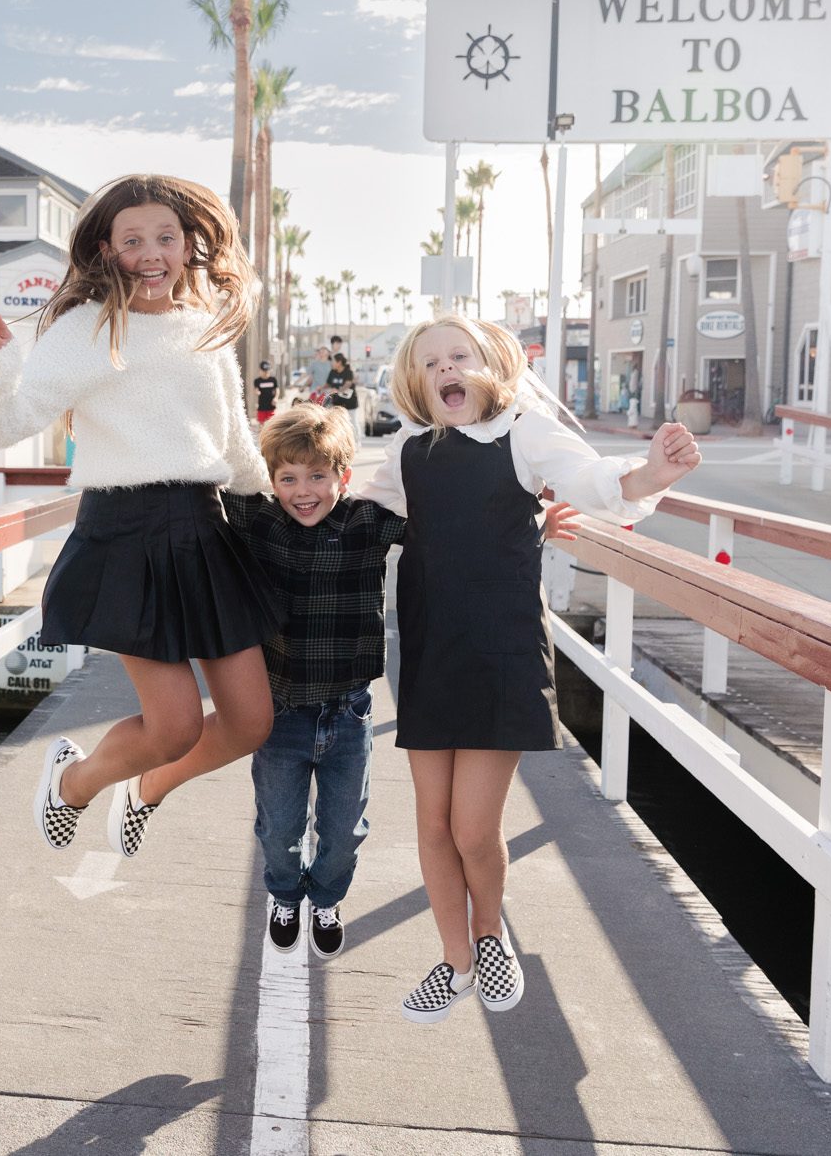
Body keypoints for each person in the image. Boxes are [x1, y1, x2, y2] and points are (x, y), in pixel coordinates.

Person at [356, 314, 700, 1023]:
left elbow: (593, 478)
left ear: (492, 363)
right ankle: (454, 960)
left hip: (500, 649)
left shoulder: (524, 430)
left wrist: (650, 473)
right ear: (415, 380)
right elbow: (361, 516)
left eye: (460, 354)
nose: (446, 367)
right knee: (431, 823)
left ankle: (489, 935)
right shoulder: (411, 448)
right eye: (431, 362)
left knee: (473, 828)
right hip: (425, 649)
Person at [0, 173, 282, 861]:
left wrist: (286, 503)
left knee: (251, 719)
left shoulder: (205, 330)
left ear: (189, 243)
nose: (153, 253)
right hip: (125, 535)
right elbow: (7, 425)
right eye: (134, 239)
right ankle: (73, 783)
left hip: (203, 526)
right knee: (173, 726)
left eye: (166, 236)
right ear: (108, 249)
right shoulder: (87, 327)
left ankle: (145, 790)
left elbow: (233, 444)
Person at [224, 404, 580, 962]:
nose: (304, 491)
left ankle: (327, 898)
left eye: (318, 476)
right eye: (288, 478)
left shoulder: (367, 521)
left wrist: (530, 520)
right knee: (279, 828)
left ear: (343, 476)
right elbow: (204, 485)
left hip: (347, 715)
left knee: (344, 831)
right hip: (280, 713)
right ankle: (285, 895)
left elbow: (455, 525)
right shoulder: (258, 521)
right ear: (271, 482)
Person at [253, 359, 280, 425]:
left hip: (271, 406)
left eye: (267, 371)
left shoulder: (273, 380)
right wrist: (257, 392)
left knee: (271, 425)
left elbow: (277, 389)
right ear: (260, 370)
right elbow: (256, 390)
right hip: (261, 406)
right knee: (261, 425)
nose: (265, 373)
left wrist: (276, 398)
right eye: (263, 371)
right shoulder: (257, 381)